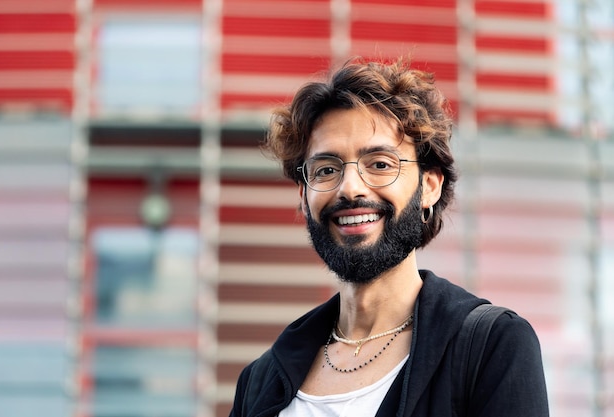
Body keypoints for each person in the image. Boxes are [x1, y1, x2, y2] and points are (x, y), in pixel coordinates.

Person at [228, 57, 549, 417]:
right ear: (304, 197)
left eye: (380, 164)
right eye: (326, 169)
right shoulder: (261, 379)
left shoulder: (490, 346)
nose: (350, 188)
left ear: (429, 186)